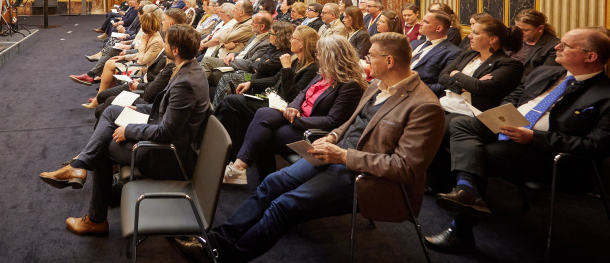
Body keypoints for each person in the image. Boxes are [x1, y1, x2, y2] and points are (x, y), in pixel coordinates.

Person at [168, 32, 445, 263]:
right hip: (334, 156)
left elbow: (405, 168)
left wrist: (345, 155)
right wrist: (334, 138)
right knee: (271, 184)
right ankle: (216, 241)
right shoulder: (377, 85)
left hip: (366, 178)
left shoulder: (424, 106)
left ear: (389, 60)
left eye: (370, 55)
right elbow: (347, 123)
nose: (365, 59)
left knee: (285, 205)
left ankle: (222, 258)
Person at [426, 29, 610, 254]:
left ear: (590, 57)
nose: (556, 48)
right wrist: (502, 115)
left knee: (479, 154)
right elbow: (514, 97)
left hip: (545, 151)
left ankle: (461, 230)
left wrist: (535, 137)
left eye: (566, 46)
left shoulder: (604, 95)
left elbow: (597, 146)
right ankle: (465, 187)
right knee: (456, 123)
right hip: (511, 125)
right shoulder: (545, 72)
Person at [38, 24, 210, 237]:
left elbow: (166, 132)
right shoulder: (189, 68)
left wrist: (129, 130)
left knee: (103, 149)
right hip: (166, 138)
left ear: (175, 50)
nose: (164, 44)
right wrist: (139, 108)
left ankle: (95, 219)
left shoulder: (186, 82)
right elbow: (166, 111)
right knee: (111, 111)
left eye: (166, 43)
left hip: (169, 156)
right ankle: (80, 166)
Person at [222, 34, 366, 185]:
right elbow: (303, 93)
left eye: (320, 54)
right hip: (297, 115)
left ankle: (253, 176)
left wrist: (297, 120)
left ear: (332, 57)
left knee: (264, 135)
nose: (317, 58)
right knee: (262, 113)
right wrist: (293, 106)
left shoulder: (350, 86)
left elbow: (332, 121)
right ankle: (242, 170)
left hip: (309, 128)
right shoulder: (324, 74)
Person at [426, 18, 525, 191]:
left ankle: (458, 187)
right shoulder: (468, 54)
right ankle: (441, 182)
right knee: (415, 119)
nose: (469, 36)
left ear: (492, 39)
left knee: (431, 127)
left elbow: (482, 88)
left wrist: (457, 75)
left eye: (476, 33)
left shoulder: (509, 64)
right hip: (446, 104)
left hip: (473, 114)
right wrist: (467, 84)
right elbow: (442, 76)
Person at [214, 25, 320, 156]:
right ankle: (228, 154)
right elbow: (275, 79)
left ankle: (211, 134)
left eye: (293, 38)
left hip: (281, 107)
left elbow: (291, 97)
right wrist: (251, 83)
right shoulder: (296, 60)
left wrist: (286, 68)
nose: (290, 40)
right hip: (271, 98)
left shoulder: (311, 68)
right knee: (233, 115)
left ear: (302, 44)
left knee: (230, 101)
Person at [81, 12, 164, 109]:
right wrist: (124, 57)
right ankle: (102, 97)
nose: (141, 26)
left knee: (110, 64)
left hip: (143, 68)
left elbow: (142, 60)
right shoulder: (150, 36)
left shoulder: (155, 40)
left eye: (142, 24)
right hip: (141, 64)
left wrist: (142, 43)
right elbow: (140, 55)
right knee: (111, 61)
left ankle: (99, 98)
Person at [212, 22, 293, 109]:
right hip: (253, 74)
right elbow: (257, 62)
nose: (269, 35)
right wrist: (259, 63)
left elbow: (261, 67)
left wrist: (259, 63)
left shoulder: (283, 55)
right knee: (218, 76)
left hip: (259, 80)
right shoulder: (272, 47)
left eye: (271, 33)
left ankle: (215, 111)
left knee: (226, 78)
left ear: (279, 37)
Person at [200, 12, 272, 84]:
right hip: (236, 61)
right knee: (200, 66)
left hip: (240, 69)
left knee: (207, 61)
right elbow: (243, 53)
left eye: (254, 22)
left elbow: (251, 63)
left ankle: (196, 92)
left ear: (262, 26)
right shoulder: (255, 36)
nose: (251, 24)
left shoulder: (266, 43)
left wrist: (231, 61)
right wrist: (232, 54)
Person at [410, 11, 462, 89]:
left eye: (425, 22)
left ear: (438, 28)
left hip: (418, 93)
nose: (420, 23)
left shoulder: (453, 53)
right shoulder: (414, 43)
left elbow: (445, 85)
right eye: (422, 20)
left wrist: (416, 88)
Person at [510, 8, 560, 79]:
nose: (520, 33)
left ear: (540, 28)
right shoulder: (513, 39)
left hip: (524, 85)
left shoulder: (554, 46)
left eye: (526, 30)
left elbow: (543, 76)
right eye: (518, 29)